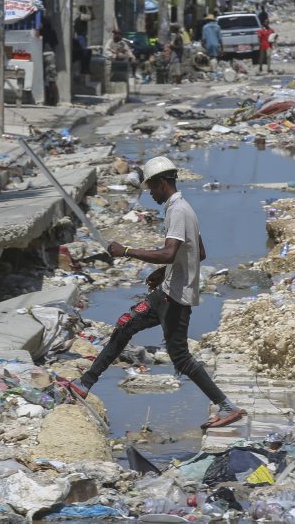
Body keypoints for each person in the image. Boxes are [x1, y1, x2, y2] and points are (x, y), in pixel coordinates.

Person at [64, 156, 246, 430]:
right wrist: (164, 272)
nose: (150, 193)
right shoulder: (182, 208)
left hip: (175, 299)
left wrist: (126, 251)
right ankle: (86, 383)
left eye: (151, 187)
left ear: (163, 183)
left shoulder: (178, 211)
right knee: (125, 325)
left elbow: (169, 252)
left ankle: (227, 406)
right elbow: (199, 253)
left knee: (181, 358)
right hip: (165, 291)